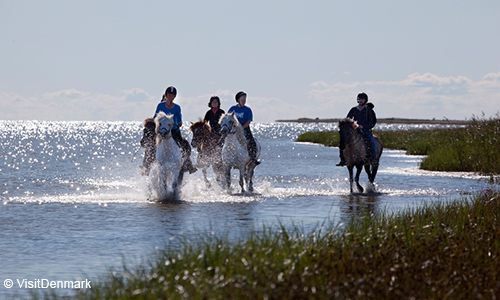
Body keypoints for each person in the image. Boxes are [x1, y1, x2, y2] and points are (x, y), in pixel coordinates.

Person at [153, 86, 197, 174]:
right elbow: (155, 117)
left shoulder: (177, 107)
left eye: (173, 95)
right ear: (166, 95)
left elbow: (179, 118)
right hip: (161, 131)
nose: (171, 97)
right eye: (169, 95)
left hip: (173, 130)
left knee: (185, 145)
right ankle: (151, 163)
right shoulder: (160, 105)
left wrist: (179, 123)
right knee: (153, 145)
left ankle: (188, 164)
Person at [337, 92, 378, 166]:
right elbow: (348, 119)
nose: (360, 101)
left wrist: (364, 126)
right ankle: (343, 159)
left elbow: (372, 122)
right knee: (342, 141)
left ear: (365, 100)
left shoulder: (368, 110)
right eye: (359, 99)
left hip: (365, 130)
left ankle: (373, 159)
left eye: (362, 99)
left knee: (371, 141)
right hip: (354, 130)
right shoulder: (354, 109)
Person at [228, 91, 260, 165]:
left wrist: (241, 128)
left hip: (244, 127)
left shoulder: (247, 110)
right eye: (242, 100)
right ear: (238, 100)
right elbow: (228, 118)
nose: (244, 101)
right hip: (233, 128)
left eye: (245, 100)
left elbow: (249, 121)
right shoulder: (232, 108)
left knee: (252, 142)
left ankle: (253, 158)